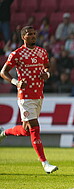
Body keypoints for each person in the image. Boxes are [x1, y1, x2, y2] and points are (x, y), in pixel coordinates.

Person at [0, 26, 58, 174]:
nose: (33, 36)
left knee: (27, 131)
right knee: (35, 128)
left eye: (34, 34)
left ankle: (4, 132)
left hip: (38, 95)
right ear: (23, 37)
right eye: (29, 34)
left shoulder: (42, 51)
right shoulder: (17, 54)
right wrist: (16, 82)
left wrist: (47, 74)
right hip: (25, 96)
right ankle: (45, 163)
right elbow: (3, 72)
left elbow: (47, 68)